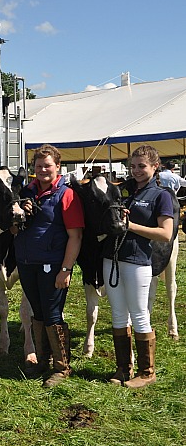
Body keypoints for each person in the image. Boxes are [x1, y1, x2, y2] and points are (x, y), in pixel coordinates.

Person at [103, 145, 173, 388]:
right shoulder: (125, 192)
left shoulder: (160, 196)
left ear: (155, 166)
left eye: (142, 166)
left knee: (140, 314)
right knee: (118, 314)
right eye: (132, 166)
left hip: (137, 261)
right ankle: (123, 368)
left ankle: (147, 372)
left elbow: (165, 233)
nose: (136, 171)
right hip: (112, 259)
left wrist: (131, 226)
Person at [14, 144, 84, 388]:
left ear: (58, 167)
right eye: (38, 166)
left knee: (53, 314)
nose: (43, 170)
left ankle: (62, 367)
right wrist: (17, 215)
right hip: (26, 261)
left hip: (52, 264)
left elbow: (75, 236)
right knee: (38, 313)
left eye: (47, 165)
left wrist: (66, 269)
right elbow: (15, 228)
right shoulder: (27, 191)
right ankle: (43, 360)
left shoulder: (66, 195)